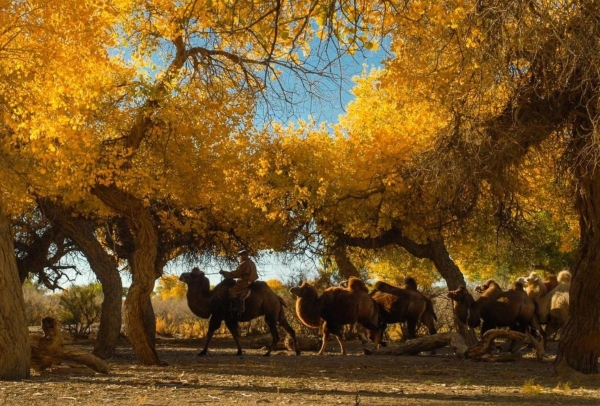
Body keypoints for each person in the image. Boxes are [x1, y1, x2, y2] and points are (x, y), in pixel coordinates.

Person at [219, 249, 258, 316]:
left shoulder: (244, 263)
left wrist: (224, 273)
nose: (240, 257)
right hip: (251, 281)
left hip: (244, 283)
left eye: (241, 256)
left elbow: (237, 274)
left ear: (245, 256)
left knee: (231, 291)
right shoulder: (251, 262)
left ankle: (237, 307)